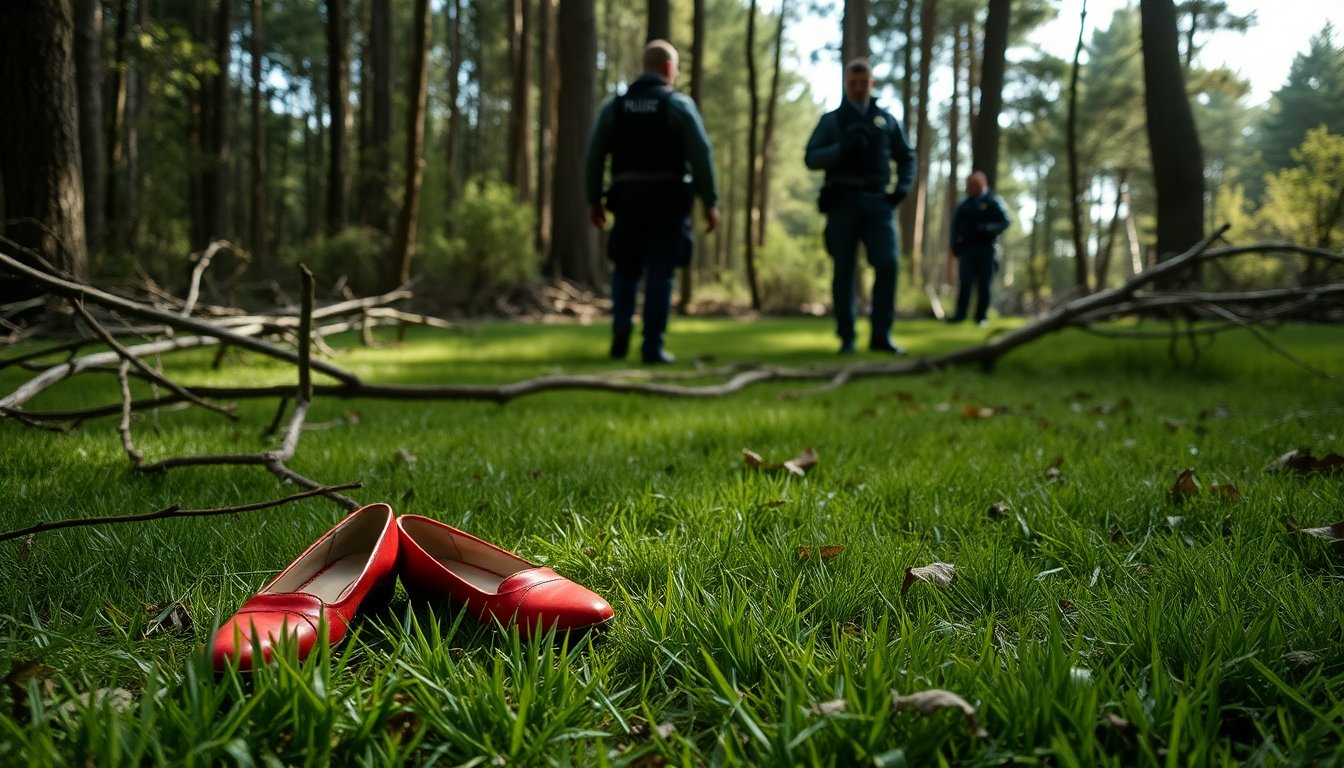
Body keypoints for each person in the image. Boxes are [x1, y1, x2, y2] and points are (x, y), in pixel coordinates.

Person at [584, 39, 720, 364]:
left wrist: (594, 199)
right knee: (660, 272)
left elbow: (593, 157)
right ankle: (652, 346)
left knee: (626, 268)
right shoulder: (678, 105)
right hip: (668, 200)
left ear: (643, 67)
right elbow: (701, 155)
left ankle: (620, 325)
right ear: (669, 69)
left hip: (627, 199)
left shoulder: (614, 107)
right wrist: (710, 200)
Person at [804, 59, 916, 355]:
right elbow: (811, 158)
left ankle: (882, 334)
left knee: (888, 263)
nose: (857, 87)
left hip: (879, 202)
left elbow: (907, 157)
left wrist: (901, 189)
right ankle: (847, 337)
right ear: (845, 83)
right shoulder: (832, 121)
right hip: (842, 201)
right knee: (844, 269)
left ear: (872, 83)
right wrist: (841, 149)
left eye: (863, 82)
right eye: (852, 82)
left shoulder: (887, 121)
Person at [948, 170, 1010, 327]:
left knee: (984, 284)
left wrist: (990, 228)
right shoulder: (965, 204)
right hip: (967, 249)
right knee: (965, 282)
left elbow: (1005, 222)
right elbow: (955, 227)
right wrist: (954, 245)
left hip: (987, 249)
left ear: (983, 184)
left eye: (975, 185)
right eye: (970, 185)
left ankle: (981, 317)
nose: (972, 188)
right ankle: (960, 315)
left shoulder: (993, 202)